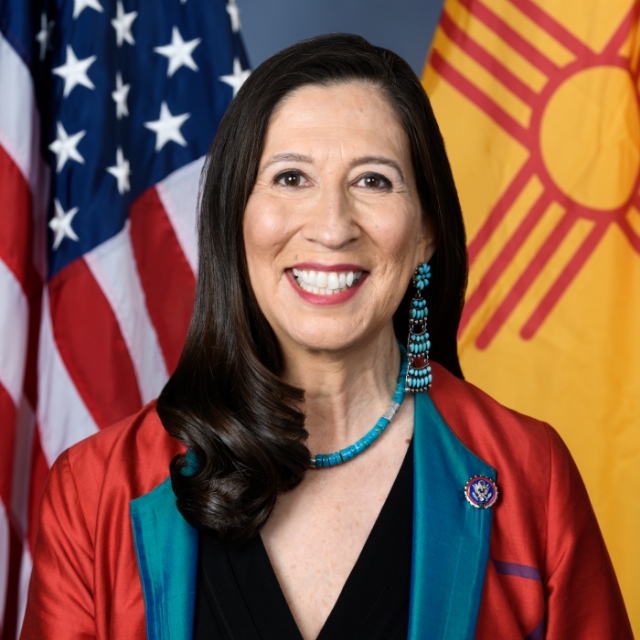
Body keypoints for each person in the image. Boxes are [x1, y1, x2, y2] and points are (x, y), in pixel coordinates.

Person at [21, 34, 632, 640]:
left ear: (426, 231)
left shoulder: (531, 477)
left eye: (373, 181)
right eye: (291, 178)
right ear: (235, 218)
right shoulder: (94, 491)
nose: (333, 227)